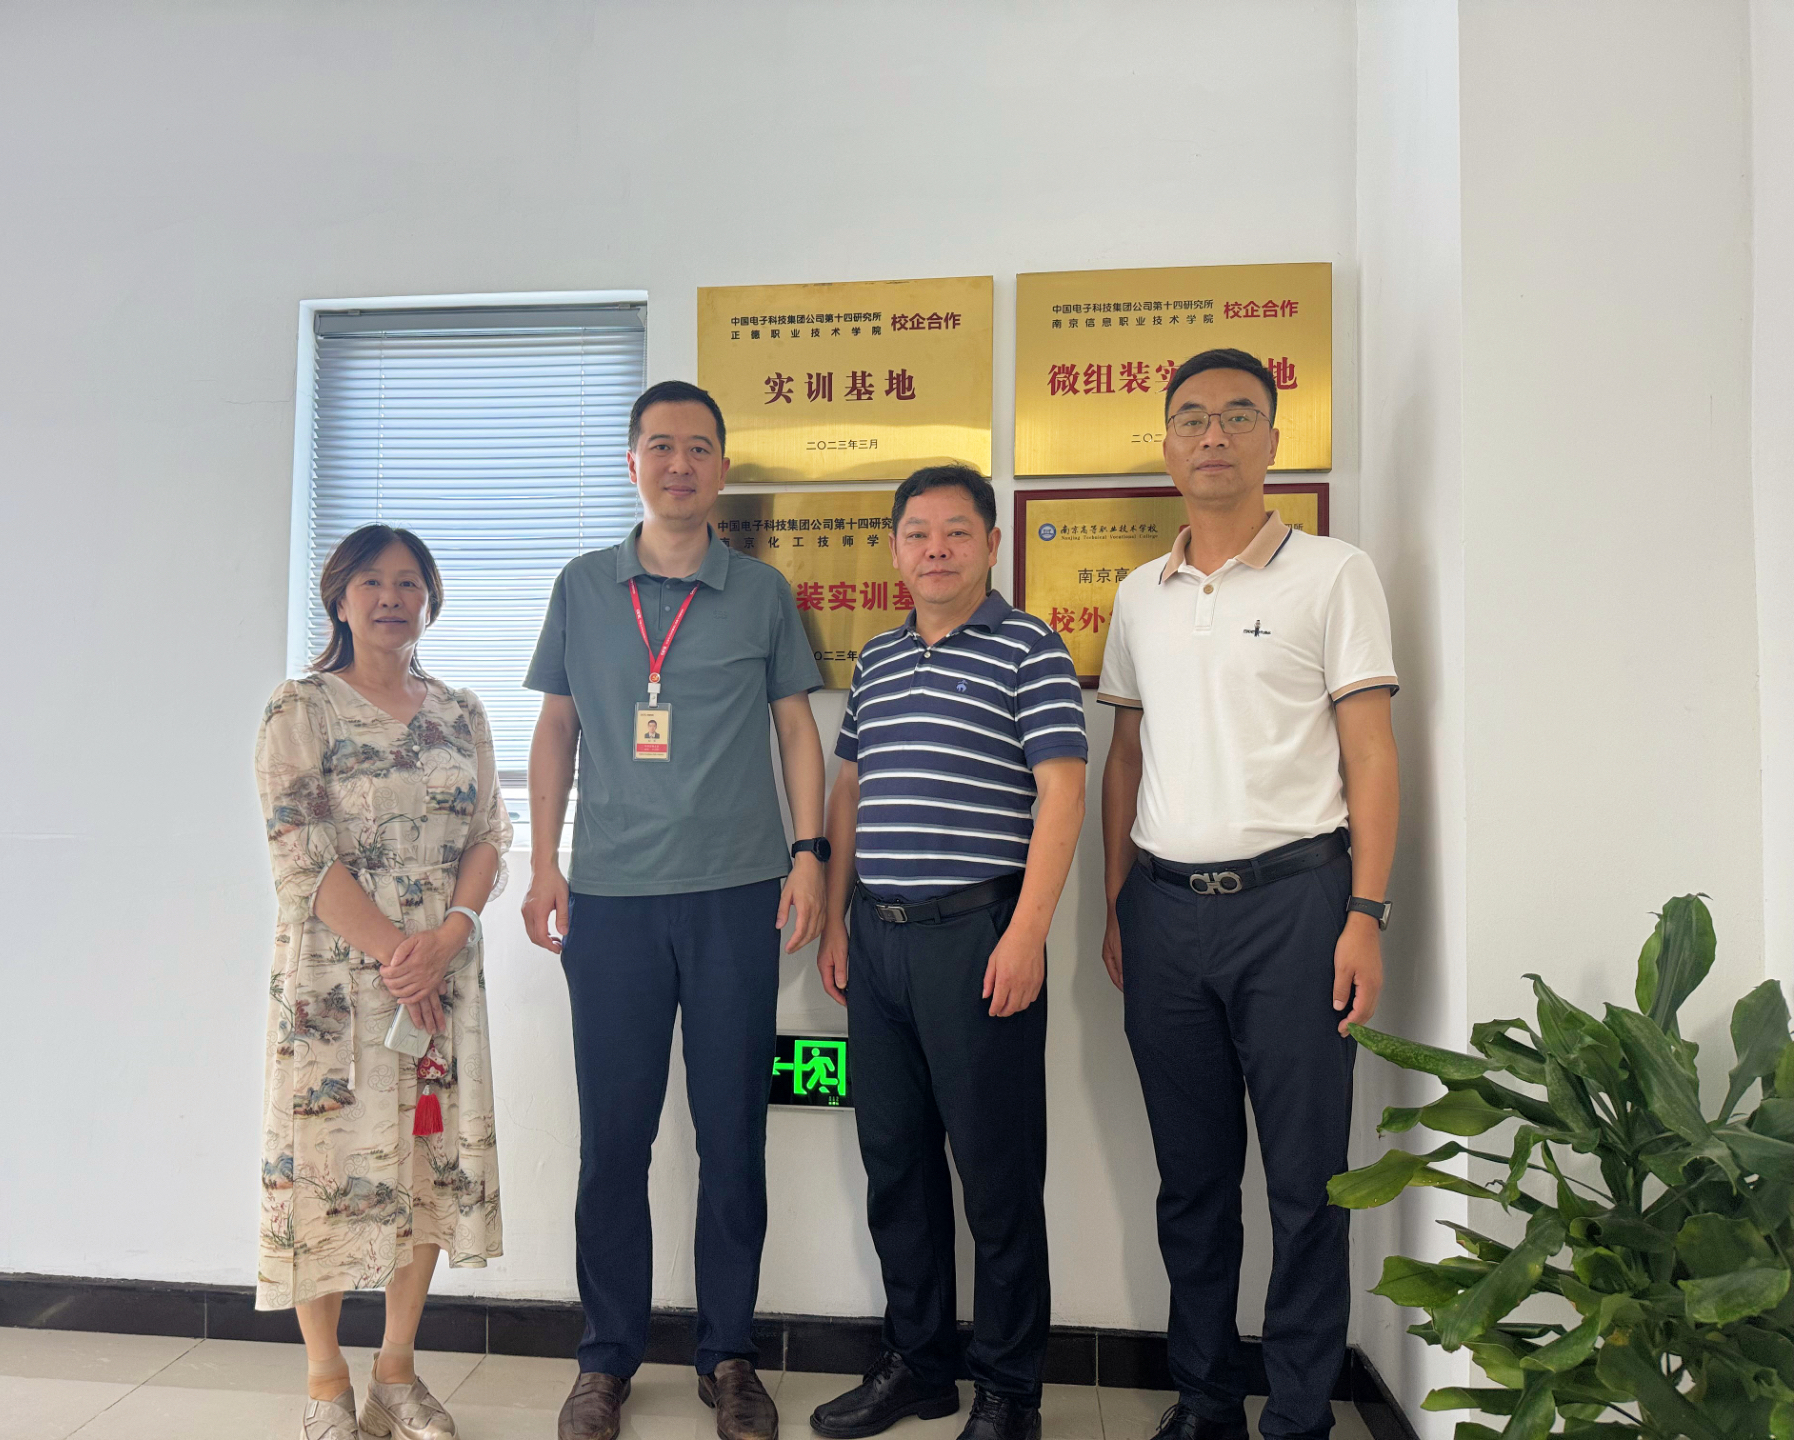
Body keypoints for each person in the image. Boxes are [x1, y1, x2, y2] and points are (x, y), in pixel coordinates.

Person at [1097, 349, 1400, 1440]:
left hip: (1298, 909)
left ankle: (1300, 1417)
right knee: (1191, 1181)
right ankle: (1206, 1399)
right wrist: (1116, 903)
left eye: (1236, 416)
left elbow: (1371, 755)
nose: (1213, 435)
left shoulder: (1334, 573)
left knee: (1306, 1183)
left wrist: (1365, 915)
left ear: (1274, 439)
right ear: (1167, 446)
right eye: (1191, 418)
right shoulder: (1140, 594)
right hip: (1164, 913)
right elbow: (1125, 758)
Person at [521, 380, 828, 1440]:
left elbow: (796, 729)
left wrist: (808, 855)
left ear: (723, 467)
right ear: (632, 462)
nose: (680, 465)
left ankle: (728, 1355)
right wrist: (545, 862)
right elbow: (556, 729)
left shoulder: (762, 592)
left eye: (699, 448)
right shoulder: (581, 586)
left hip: (737, 895)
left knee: (733, 1136)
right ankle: (604, 1358)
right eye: (661, 446)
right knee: (615, 1142)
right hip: (610, 901)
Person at [812, 466, 1087, 1440]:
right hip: (878, 941)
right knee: (896, 1167)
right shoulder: (880, 659)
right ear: (895, 550)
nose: (936, 549)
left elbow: (1062, 793)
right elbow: (850, 792)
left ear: (991, 545)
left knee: (997, 1178)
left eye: (957, 532)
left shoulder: (1031, 648)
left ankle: (1010, 1393)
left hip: (980, 938)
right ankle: (919, 1366)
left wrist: (1028, 933)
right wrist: (837, 920)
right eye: (919, 533)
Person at [255, 524, 514, 1440]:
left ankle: (395, 1375)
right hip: (337, 983)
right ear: (339, 598)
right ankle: (325, 1385)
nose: (392, 598)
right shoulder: (301, 707)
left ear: (430, 601)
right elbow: (299, 849)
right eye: (372, 582)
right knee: (324, 1168)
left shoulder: (461, 713)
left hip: (442, 976)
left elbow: (489, 835)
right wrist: (400, 960)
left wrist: (448, 937)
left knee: (426, 1167)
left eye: (409, 583)